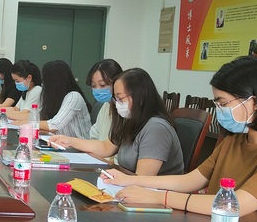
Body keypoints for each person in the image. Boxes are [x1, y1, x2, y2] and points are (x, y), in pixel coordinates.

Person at [102, 56, 257, 221]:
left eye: (224, 103)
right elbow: (191, 180)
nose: (219, 110)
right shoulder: (236, 140)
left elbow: (236, 205)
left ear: (255, 102)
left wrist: (159, 197)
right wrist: (131, 179)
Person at [50, 68, 183, 176]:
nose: (117, 104)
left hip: (154, 193)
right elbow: (106, 147)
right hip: (129, 183)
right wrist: (70, 141)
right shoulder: (130, 120)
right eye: (115, 99)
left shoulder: (156, 128)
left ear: (140, 97)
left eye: (120, 98)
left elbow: (143, 179)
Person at [12, 60, 91, 138]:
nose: (43, 84)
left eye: (45, 80)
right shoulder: (53, 97)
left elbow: (55, 124)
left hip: (77, 144)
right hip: (59, 141)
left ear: (54, 81)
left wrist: (28, 123)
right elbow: (41, 116)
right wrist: (24, 124)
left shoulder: (73, 97)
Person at [87, 59, 123, 141]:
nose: (97, 89)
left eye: (102, 85)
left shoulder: (124, 110)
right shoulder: (106, 106)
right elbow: (95, 134)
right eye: (93, 85)